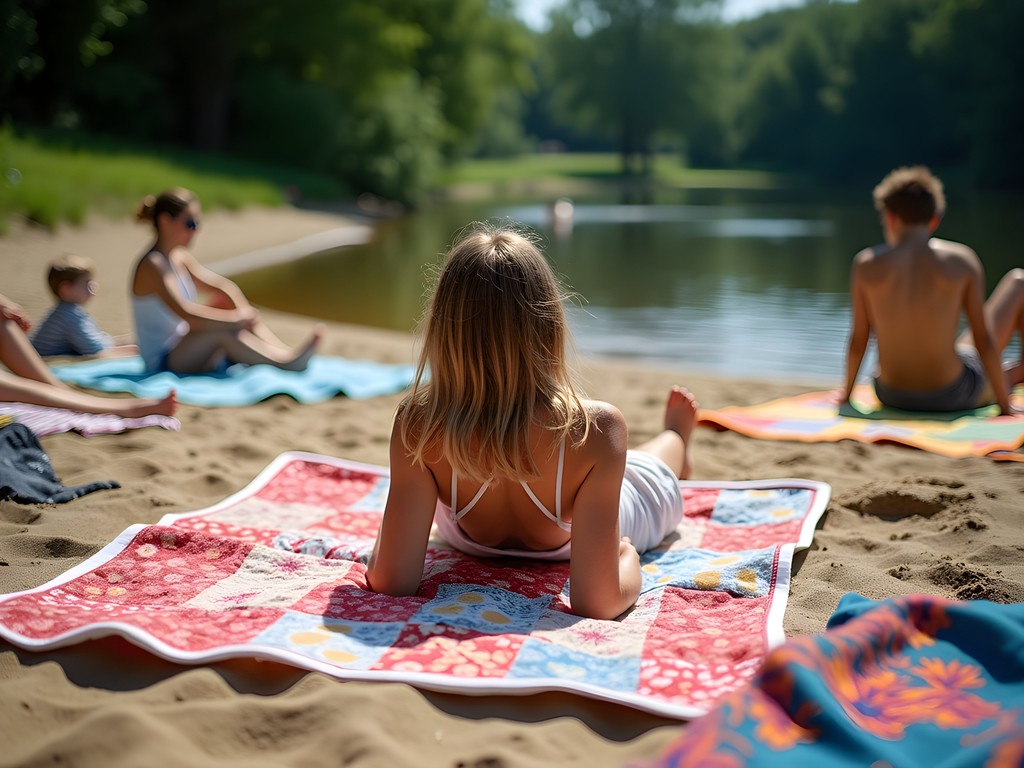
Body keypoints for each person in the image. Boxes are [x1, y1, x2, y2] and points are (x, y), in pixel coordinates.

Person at [365, 224, 698, 621]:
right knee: (649, 468)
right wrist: (626, 556)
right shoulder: (596, 428)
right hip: (604, 511)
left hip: (468, 539)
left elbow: (390, 579)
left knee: (648, 459)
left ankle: (676, 437)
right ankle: (676, 433)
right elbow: (599, 602)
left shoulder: (418, 423)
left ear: (442, 328)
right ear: (548, 323)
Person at [841, 166, 1024, 415]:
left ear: (891, 217)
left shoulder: (866, 264)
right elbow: (984, 340)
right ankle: (1014, 373)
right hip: (952, 395)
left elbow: (859, 339)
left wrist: (846, 396)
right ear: (934, 220)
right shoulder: (961, 261)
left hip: (890, 394)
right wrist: (1005, 406)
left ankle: (1010, 372)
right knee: (1019, 282)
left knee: (963, 348)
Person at [131, 188, 322, 374]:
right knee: (224, 333)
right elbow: (187, 314)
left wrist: (242, 314)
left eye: (197, 223)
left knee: (224, 302)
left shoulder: (179, 257)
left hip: (184, 343)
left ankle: (280, 351)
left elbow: (222, 287)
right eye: (190, 223)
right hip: (163, 360)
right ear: (165, 221)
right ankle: (284, 364)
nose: (195, 230)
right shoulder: (153, 264)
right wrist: (236, 320)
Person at [0, 292, 176, 417]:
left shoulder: (72, 312)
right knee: (31, 391)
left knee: (3, 321)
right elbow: (94, 349)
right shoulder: (68, 314)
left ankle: (59, 391)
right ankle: (119, 408)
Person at [30, 254, 137, 358]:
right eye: (86, 282)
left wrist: (128, 341)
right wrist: (135, 350)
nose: (93, 286)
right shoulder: (67, 316)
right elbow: (96, 351)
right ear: (66, 289)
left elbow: (100, 340)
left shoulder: (68, 311)